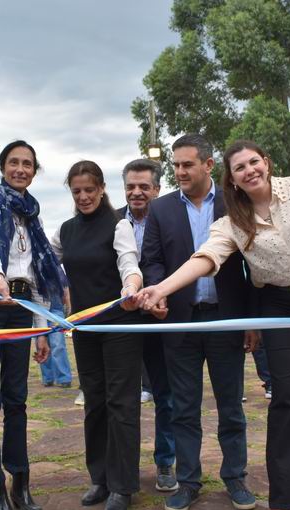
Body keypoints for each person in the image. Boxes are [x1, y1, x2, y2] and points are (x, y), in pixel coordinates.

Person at [138, 140, 290, 510]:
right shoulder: (232, 220)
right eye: (239, 168)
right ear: (232, 178)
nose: (249, 171)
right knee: (285, 400)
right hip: (279, 305)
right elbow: (205, 258)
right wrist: (161, 289)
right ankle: (283, 502)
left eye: (253, 162)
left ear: (267, 163)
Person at [140, 134, 256, 510]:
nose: (179, 171)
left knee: (231, 406)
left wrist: (251, 320)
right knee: (184, 408)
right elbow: (152, 260)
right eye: (175, 165)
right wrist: (159, 293)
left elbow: (254, 263)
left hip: (227, 319)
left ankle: (235, 477)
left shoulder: (235, 202)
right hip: (180, 323)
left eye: (187, 164)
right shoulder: (161, 209)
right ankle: (188, 482)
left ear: (208, 165)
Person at [0, 140, 67, 510]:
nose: (20, 169)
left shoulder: (32, 216)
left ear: (34, 171)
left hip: (22, 309)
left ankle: (20, 482)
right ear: (1, 166)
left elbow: (39, 278)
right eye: (13, 162)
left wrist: (40, 330)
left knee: (17, 399)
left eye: (27, 164)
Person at [50, 160, 144, 510]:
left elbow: (129, 264)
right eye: (77, 191)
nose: (84, 196)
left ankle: (123, 485)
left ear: (102, 188)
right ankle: (100, 478)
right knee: (95, 402)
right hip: (84, 328)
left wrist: (131, 287)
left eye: (90, 189)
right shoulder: (66, 230)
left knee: (122, 404)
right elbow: (43, 263)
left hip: (120, 326)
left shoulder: (119, 225)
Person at [117, 158, 177, 492]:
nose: (136, 192)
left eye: (144, 187)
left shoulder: (170, 219)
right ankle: (123, 469)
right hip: (122, 322)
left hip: (161, 318)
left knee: (165, 395)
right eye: (130, 186)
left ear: (157, 188)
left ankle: (165, 462)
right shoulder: (111, 222)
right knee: (123, 397)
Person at [39, 298, 73, 388]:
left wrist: (69, 307)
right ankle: (48, 378)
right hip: (38, 310)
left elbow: (65, 291)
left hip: (55, 309)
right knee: (42, 346)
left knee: (58, 345)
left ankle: (63, 378)